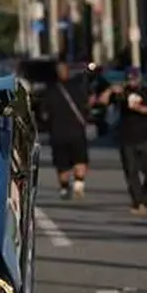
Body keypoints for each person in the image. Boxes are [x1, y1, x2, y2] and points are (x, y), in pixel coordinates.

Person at [98, 68, 147, 215]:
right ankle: (137, 201)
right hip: (127, 137)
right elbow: (102, 101)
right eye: (129, 79)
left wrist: (140, 108)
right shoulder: (122, 93)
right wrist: (110, 91)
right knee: (131, 171)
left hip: (146, 136)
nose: (131, 82)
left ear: (139, 79)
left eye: (134, 79)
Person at [41, 62, 92, 199]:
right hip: (77, 131)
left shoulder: (49, 91)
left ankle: (64, 188)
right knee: (80, 159)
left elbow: (44, 114)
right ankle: (78, 184)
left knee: (61, 163)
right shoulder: (77, 88)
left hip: (57, 133)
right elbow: (86, 106)